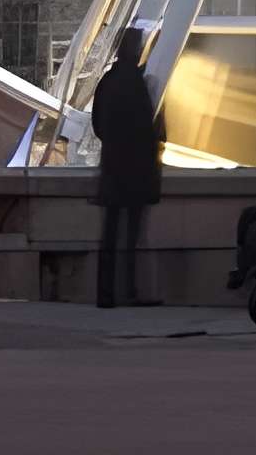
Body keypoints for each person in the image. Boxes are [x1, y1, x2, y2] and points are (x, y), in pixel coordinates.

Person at [90, 25, 164, 308]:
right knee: (131, 236)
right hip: (134, 171)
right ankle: (129, 290)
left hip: (112, 168)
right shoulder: (137, 82)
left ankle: (105, 294)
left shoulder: (107, 82)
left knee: (109, 235)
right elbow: (147, 129)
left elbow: (98, 124)